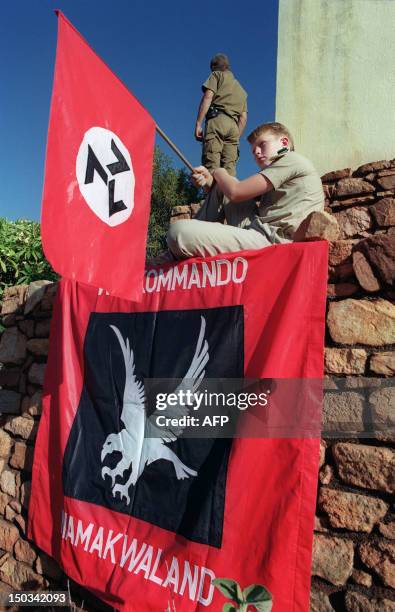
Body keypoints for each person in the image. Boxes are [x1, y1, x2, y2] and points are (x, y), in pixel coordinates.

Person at [168, 122, 324, 259]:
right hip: (260, 232)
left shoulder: (291, 159)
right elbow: (230, 191)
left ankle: (176, 252)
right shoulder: (278, 172)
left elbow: (236, 192)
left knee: (178, 232)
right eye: (253, 150)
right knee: (225, 184)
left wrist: (217, 171)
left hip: (275, 241)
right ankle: (183, 248)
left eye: (262, 144)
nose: (256, 152)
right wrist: (210, 182)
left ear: (284, 143)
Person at [195, 54, 247, 177]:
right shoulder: (241, 90)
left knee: (211, 165)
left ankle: (211, 195)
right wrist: (235, 138)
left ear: (214, 67)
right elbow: (244, 118)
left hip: (217, 120)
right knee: (229, 172)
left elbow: (208, 97)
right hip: (234, 127)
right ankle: (227, 196)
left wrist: (198, 123)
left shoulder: (216, 75)